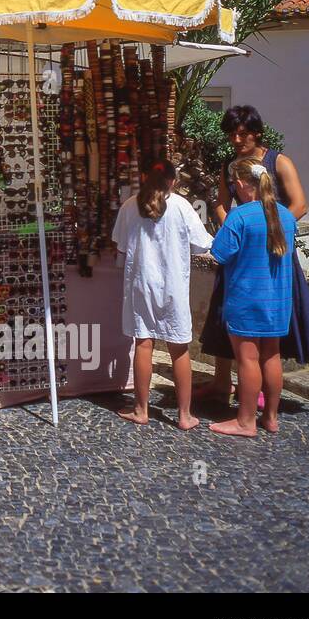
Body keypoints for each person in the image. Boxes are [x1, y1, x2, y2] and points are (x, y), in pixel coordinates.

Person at [196, 105, 309, 401]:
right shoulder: (229, 166)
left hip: (273, 252)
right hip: (239, 255)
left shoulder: (279, 162)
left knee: (268, 321)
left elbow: (299, 204)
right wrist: (233, 227)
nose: (235, 139)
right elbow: (220, 203)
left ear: (256, 133)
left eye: (241, 133)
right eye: (231, 134)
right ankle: (222, 382)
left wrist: (270, 228)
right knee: (225, 317)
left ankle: (257, 387)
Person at [111, 159, 214, 430]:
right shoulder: (182, 207)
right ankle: (184, 415)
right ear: (174, 181)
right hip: (173, 287)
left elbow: (120, 252)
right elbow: (203, 244)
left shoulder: (129, 206)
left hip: (141, 284)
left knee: (143, 343)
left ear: (143, 177)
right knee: (179, 348)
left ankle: (141, 410)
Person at [208, 158, 297, 437]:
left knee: (247, 359)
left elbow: (220, 253)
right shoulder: (285, 215)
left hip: (247, 299)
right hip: (278, 301)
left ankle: (246, 421)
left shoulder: (240, 216)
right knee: (272, 356)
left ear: (244, 184)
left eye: (235, 183)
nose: (234, 187)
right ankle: (270, 417)